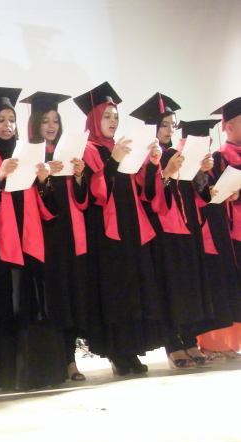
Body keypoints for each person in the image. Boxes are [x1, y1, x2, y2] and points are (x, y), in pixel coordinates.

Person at [0, 86, 67, 391]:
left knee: (34, 303)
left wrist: (43, 181)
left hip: (30, 240)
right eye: (0, 120)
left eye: (11, 120)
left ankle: (41, 373)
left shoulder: (26, 153)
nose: (7, 125)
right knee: (5, 305)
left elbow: (47, 207)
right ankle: (8, 375)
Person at [74, 82, 164, 376]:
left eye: (115, 116)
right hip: (105, 229)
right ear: (93, 120)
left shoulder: (121, 147)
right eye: (106, 116)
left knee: (133, 287)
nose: (112, 121)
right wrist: (112, 161)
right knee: (114, 290)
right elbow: (95, 192)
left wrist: (153, 164)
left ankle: (132, 350)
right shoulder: (88, 149)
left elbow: (143, 189)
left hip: (130, 223)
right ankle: (117, 352)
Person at [130, 94, 215, 369]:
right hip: (161, 229)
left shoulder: (177, 152)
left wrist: (201, 172)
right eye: (164, 125)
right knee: (167, 286)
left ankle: (189, 339)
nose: (169, 130)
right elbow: (146, 195)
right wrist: (165, 172)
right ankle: (172, 343)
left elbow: (192, 191)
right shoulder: (145, 156)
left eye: (171, 124)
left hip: (184, 225)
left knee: (186, 285)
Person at [22, 91, 88, 381]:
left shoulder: (67, 153)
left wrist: (79, 176)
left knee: (71, 293)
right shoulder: (29, 156)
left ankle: (71, 360)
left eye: (55, 121)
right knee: (53, 296)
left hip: (69, 231)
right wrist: (43, 180)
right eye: (45, 121)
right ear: (35, 123)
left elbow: (82, 200)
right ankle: (58, 360)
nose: (51, 126)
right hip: (43, 234)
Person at [197, 97, 241, 359]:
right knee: (227, 286)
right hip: (228, 231)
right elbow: (209, 194)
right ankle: (218, 343)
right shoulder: (219, 157)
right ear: (229, 126)